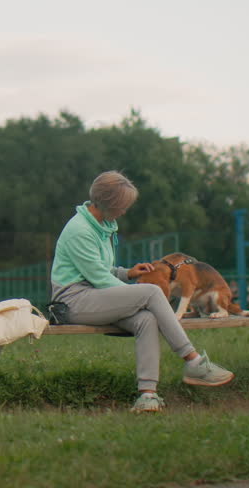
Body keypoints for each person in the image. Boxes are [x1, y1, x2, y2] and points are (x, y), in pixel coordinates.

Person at [49, 170, 234, 413]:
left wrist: (128, 274)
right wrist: (138, 294)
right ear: (110, 204)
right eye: (123, 206)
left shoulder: (102, 225)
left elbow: (102, 271)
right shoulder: (80, 230)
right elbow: (99, 279)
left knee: (146, 319)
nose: (125, 211)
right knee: (150, 294)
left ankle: (148, 395)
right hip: (73, 301)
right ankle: (193, 361)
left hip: (94, 295)